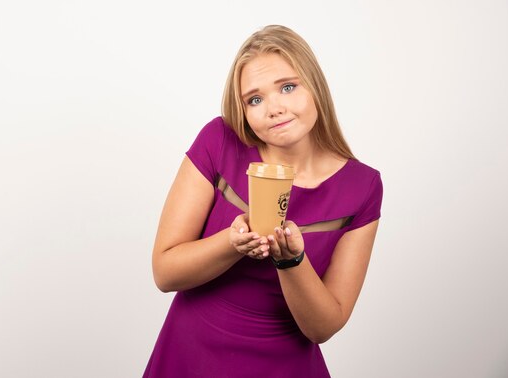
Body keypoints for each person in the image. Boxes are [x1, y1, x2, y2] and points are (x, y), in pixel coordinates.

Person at [143, 25, 383, 378]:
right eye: (254, 99)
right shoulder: (219, 140)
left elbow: (323, 327)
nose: (274, 108)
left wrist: (291, 261)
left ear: (314, 85)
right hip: (190, 355)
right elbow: (165, 273)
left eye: (288, 87)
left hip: (285, 367)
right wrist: (232, 242)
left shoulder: (362, 186)